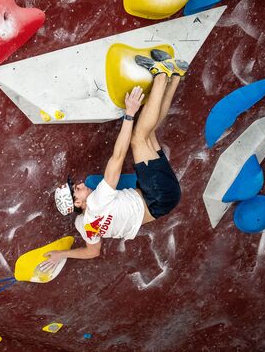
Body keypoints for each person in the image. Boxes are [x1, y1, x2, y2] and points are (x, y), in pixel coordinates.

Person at [42, 50, 186, 271]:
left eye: (74, 185)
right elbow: (117, 158)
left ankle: (175, 74)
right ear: (78, 204)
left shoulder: (84, 225)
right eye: (76, 190)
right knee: (138, 138)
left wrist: (62, 254)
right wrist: (129, 114)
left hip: (161, 201)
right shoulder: (97, 202)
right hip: (156, 195)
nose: (79, 184)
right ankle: (160, 73)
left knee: (150, 133)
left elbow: (92, 252)